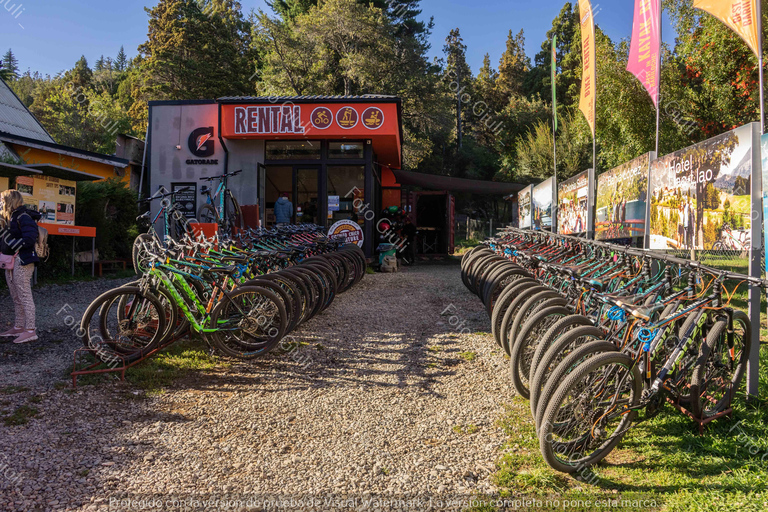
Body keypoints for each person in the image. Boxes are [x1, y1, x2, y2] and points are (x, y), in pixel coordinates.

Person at [0, 190, 41, 344]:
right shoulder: (11, 217)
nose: (1, 203)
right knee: (16, 295)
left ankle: (30, 331)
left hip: (23, 260)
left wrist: (13, 244)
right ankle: (18, 327)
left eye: (2, 200)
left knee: (24, 295)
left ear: (10, 201)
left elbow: (30, 238)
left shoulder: (24, 217)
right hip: (11, 260)